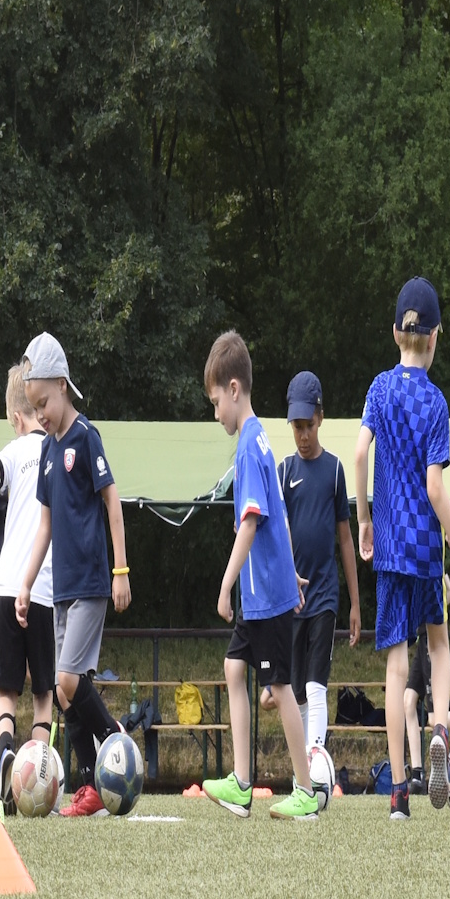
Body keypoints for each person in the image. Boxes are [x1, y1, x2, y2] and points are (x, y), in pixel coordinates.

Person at [351, 278, 450, 818]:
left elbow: (359, 455)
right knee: (439, 644)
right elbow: (434, 487)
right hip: (427, 546)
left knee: (395, 667)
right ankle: (438, 732)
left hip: (388, 548)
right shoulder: (435, 401)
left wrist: (364, 519)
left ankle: (398, 796)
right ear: (435, 338)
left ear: (395, 334)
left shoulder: (379, 389)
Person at [6, 333, 130, 818]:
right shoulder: (47, 453)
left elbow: (113, 502)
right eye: (34, 407)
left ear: (62, 385)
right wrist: (25, 583)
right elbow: (45, 526)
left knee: (66, 680)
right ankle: (91, 783)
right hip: (59, 590)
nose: (40, 415)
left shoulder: (85, 437)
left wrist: (121, 570)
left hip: (92, 583)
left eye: (44, 403)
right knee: (62, 690)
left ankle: (115, 739)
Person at [196, 332, 313, 819]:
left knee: (279, 686)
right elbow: (277, 515)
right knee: (233, 666)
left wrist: (226, 584)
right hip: (264, 590)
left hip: (262, 593)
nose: (215, 413)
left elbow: (251, 521)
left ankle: (306, 790)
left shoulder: (248, 446)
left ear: (234, 389)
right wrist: (292, 572)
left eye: (215, 402)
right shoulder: (261, 436)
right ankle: (242, 784)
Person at [279, 371, 358, 763]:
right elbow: (276, 537)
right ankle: (304, 767)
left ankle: (316, 760)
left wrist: (355, 603)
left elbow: (346, 539)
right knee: (295, 691)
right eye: (297, 427)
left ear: (320, 418)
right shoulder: (283, 471)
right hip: (291, 599)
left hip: (325, 594)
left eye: (308, 425)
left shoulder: (335, 470)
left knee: (315, 685)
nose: (303, 435)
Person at [0, 361, 57, 791]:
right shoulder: (55, 447)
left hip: (8, 584)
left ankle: (4, 754)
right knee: (43, 694)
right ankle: (37, 780)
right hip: (45, 587)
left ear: (16, 418)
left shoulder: (12, 452)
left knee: (7, 693)